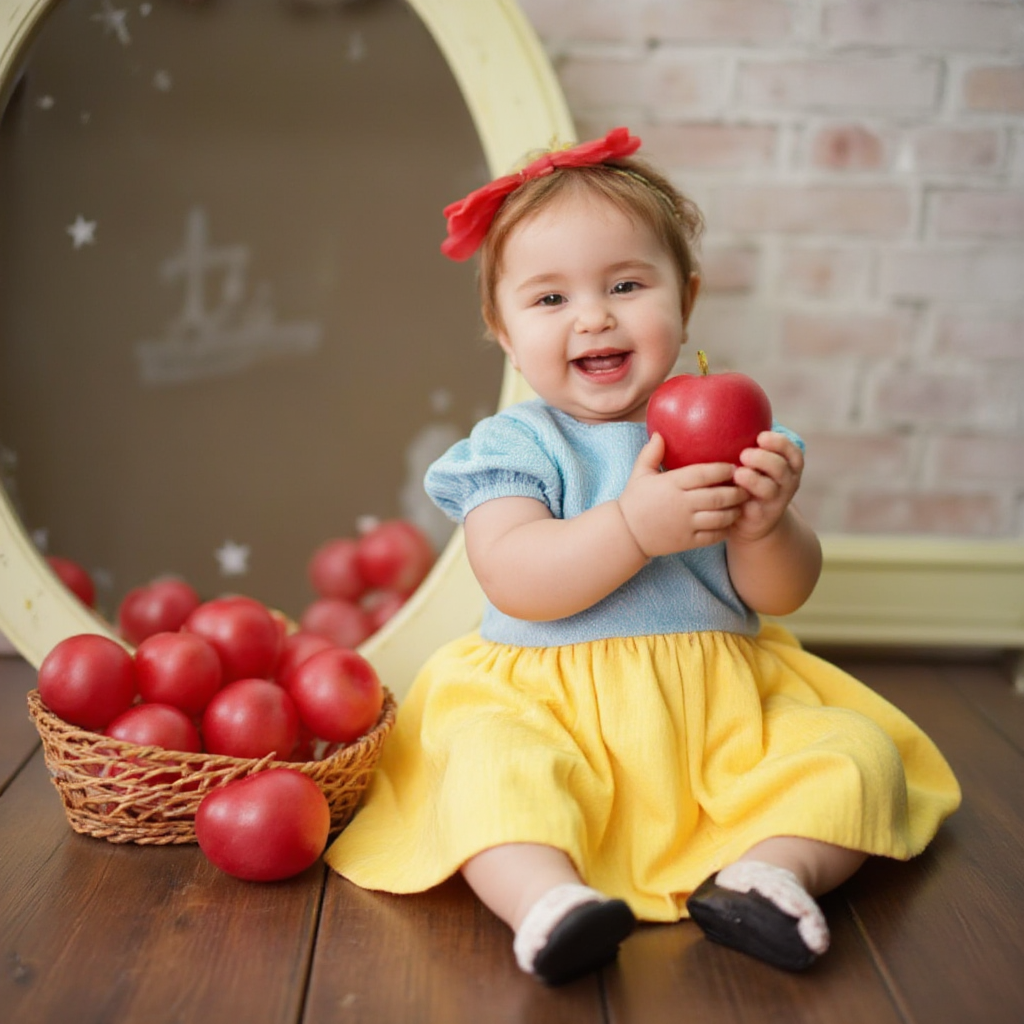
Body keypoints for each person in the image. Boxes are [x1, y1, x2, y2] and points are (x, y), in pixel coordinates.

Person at [324, 127, 961, 985]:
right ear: (503, 330)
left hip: (718, 715)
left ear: (684, 298)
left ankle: (770, 875)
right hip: (547, 705)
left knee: (854, 752)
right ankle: (550, 903)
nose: (594, 316)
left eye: (626, 284)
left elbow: (780, 594)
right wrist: (631, 528)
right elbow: (515, 575)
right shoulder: (515, 445)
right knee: (485, 771)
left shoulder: (726, 427)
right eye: (549, 300)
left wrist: (768, 525)